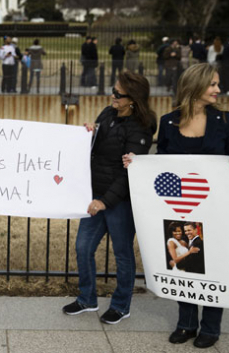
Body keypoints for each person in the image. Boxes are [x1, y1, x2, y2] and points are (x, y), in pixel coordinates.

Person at [124, 63, 229, 348]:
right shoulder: (168, 122)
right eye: (213, 84)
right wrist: (136, 163)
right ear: (195, 86)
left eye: (218, 84)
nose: (218, 89)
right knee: (186, 265)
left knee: (215, 267)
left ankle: (211, 329)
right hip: (181, 210)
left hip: (215, 209)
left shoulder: (225, 120)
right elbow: (161, 163)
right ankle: (186, 324)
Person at [62, 71, 157, 325]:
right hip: (96, 194)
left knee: (123, 253)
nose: (112, 96)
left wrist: (106, 201)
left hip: (121, 201)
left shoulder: (142, 126)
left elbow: (131, 171)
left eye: (118, 94)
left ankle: (121, 305)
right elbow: (96, 149)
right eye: (113, 90)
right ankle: (87, 299)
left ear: (133, 99)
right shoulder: (107, 113)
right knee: (83, 247)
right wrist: (90, 132)